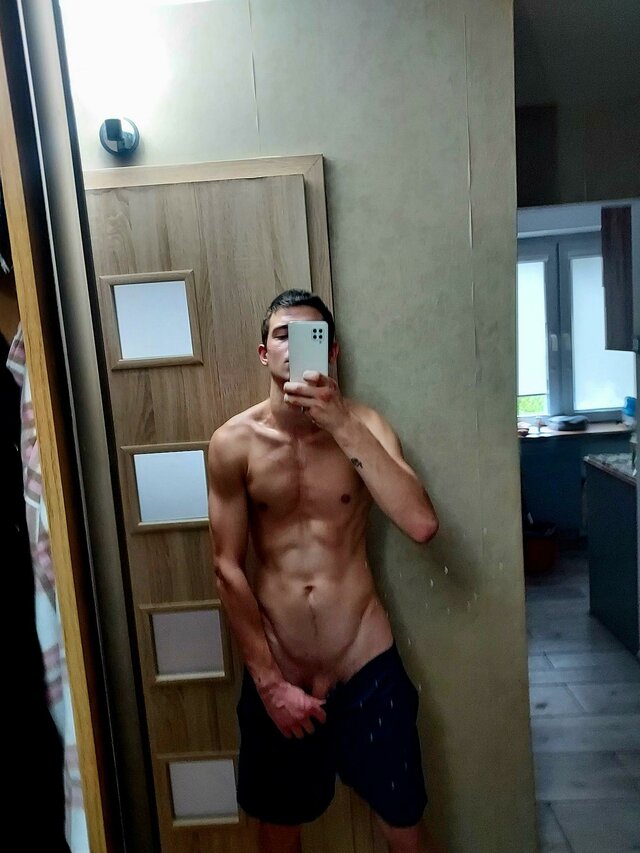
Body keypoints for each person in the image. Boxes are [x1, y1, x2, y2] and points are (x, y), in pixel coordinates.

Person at [208, 290, 441, 853]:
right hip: (279, 669)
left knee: (405, 829)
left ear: (331, 351)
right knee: (278, 834)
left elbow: (420, 524)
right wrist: (269, 685)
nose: (294, 347)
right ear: (264, 353)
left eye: (309, 336)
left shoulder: (366, 425)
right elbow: (227, 568)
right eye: (282, 335)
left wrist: (340, 423)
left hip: (365, 661)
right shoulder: (234, 443)